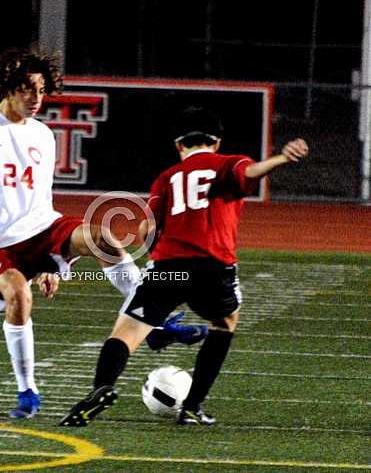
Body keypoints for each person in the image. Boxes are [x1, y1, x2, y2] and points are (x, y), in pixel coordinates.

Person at [0, 48, 206, 419]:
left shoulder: (43, 135)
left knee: (105, 238)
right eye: (27, 88)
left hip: (42, 227)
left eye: (41, 90)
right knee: (18, 296)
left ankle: (152, 322)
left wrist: (52, 264)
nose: (36, 98)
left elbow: (42, 199)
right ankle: (27, 391)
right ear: (8, 87)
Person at [59, 106, 309, 427]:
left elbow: (145, 231)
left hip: (168, 267)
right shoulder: (226, 162)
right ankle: (192, 406)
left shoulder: (165, 179)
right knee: (224, 322)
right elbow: (249, 173)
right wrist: (282, 159)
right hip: (211, 267)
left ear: (179, 145)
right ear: (216, 142)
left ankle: (101, 388)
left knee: (128, 330)